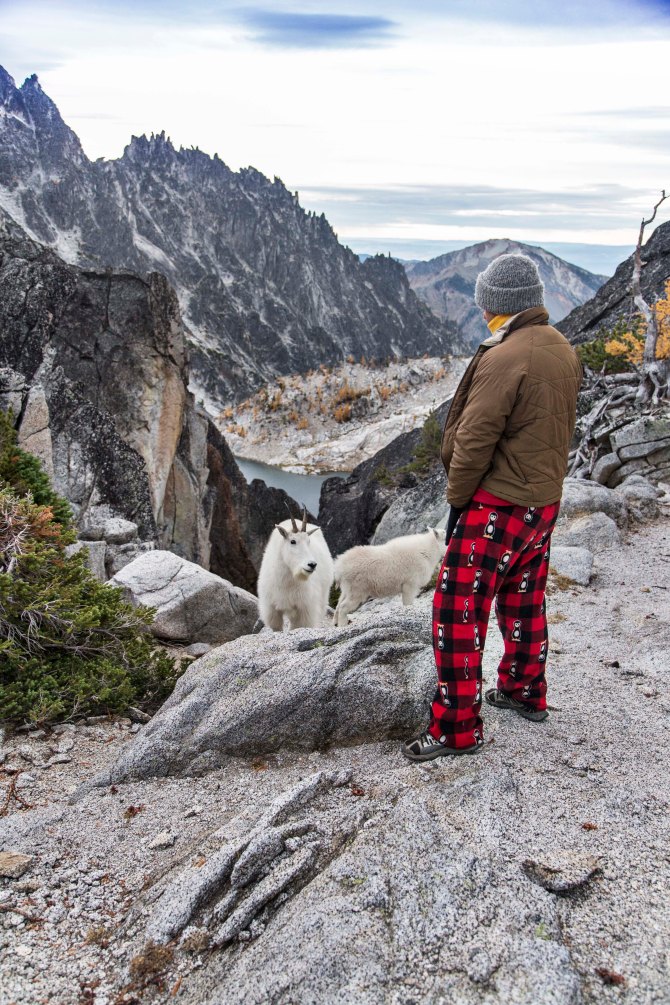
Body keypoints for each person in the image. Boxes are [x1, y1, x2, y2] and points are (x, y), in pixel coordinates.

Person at [402, 253, 582, 761]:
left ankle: (456, 728)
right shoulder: (560, 346)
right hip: (541, 502)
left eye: (486, 303)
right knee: (523, 598)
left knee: (456, 609)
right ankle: (525, 691)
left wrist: (457, 501)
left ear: (500, 304)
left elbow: (474, 440)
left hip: (498, 503)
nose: (482, 312)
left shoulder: (506, 355)